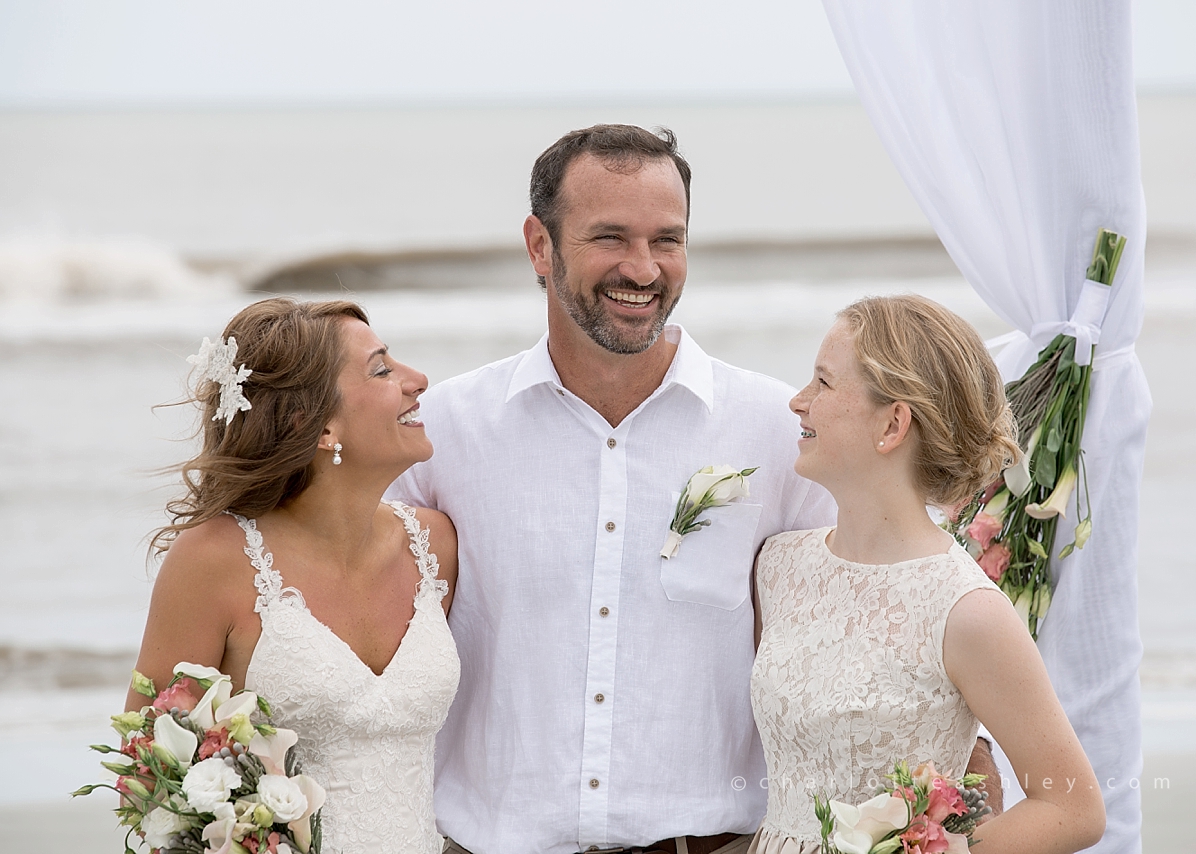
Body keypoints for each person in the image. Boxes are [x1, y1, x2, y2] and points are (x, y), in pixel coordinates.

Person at [388, 125, 996, 854]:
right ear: (540, 246)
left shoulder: (783, 434)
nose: (643, 269)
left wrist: (968, 762)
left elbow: (891, 606)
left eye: (667, 240)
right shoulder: (444, 433)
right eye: (610, 237)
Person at [748, 295, 1106, 854]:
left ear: (892, 423)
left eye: (823, 382)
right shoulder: (779, 565)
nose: (799, 402)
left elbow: (1073, 808)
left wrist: (943, 852)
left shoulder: (967, 609)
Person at [127, 298, 460, 854]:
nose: (418, 380)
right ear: (319, 426)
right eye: (381, 369)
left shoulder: (435, 546)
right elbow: (144, 772)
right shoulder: (213, 562)